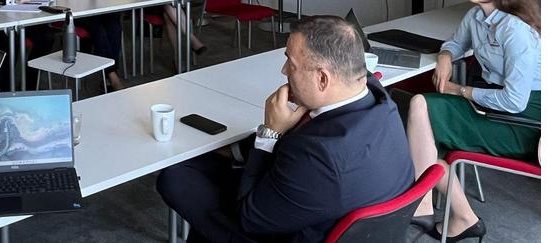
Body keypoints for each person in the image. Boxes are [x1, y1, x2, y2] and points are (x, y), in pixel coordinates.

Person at [157, 15, 414, 242]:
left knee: (176, 179)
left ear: (322, 78)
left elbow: (250, 220)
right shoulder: (379, 99)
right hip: (333, 205)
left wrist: (269, 134)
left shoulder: (320, 156)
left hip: (290, 227)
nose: (284, 71)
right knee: (200, 164)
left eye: (291, 63)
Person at [407, 0, 541, 241]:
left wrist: (460, 90)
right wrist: (445, 56)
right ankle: (437, 208)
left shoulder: (516, 31)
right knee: (421, 113)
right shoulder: (477, 16)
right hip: (493, 104)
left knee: (422, 114)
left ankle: (437, 208)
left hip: (524, 119)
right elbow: (456, 42)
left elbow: (515, 101)